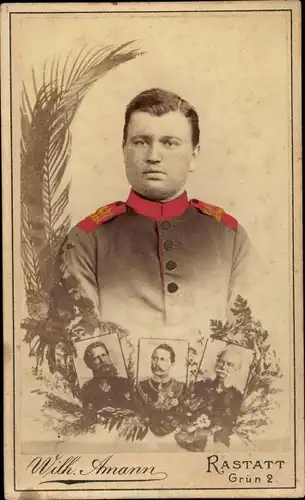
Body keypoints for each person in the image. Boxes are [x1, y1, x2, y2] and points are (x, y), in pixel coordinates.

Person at [51, 87, 257, 346]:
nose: (153, 157)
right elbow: (81, 347)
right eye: (140, 142)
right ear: (124, 150)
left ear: (193, 155)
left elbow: (252, 341)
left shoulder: (230, 237)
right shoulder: (85, 241)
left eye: (169, 143)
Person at [192, 344, 244, 446]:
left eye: (230, 364)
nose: (224, 367)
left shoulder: (238, 398)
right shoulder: (200, 386)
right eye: (221, 362)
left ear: (237, 369)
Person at [80, 341, 132, 416]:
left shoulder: (125, 383)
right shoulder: (87, 389)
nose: (102, 360)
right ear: (89, 365)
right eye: (96, 358)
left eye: (104, 355)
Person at [137, 343, 185, 410]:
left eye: (162, 359)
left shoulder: (180, 387)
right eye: (154, 359)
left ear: (172, 363)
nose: (157, 363)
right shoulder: (141, 386)